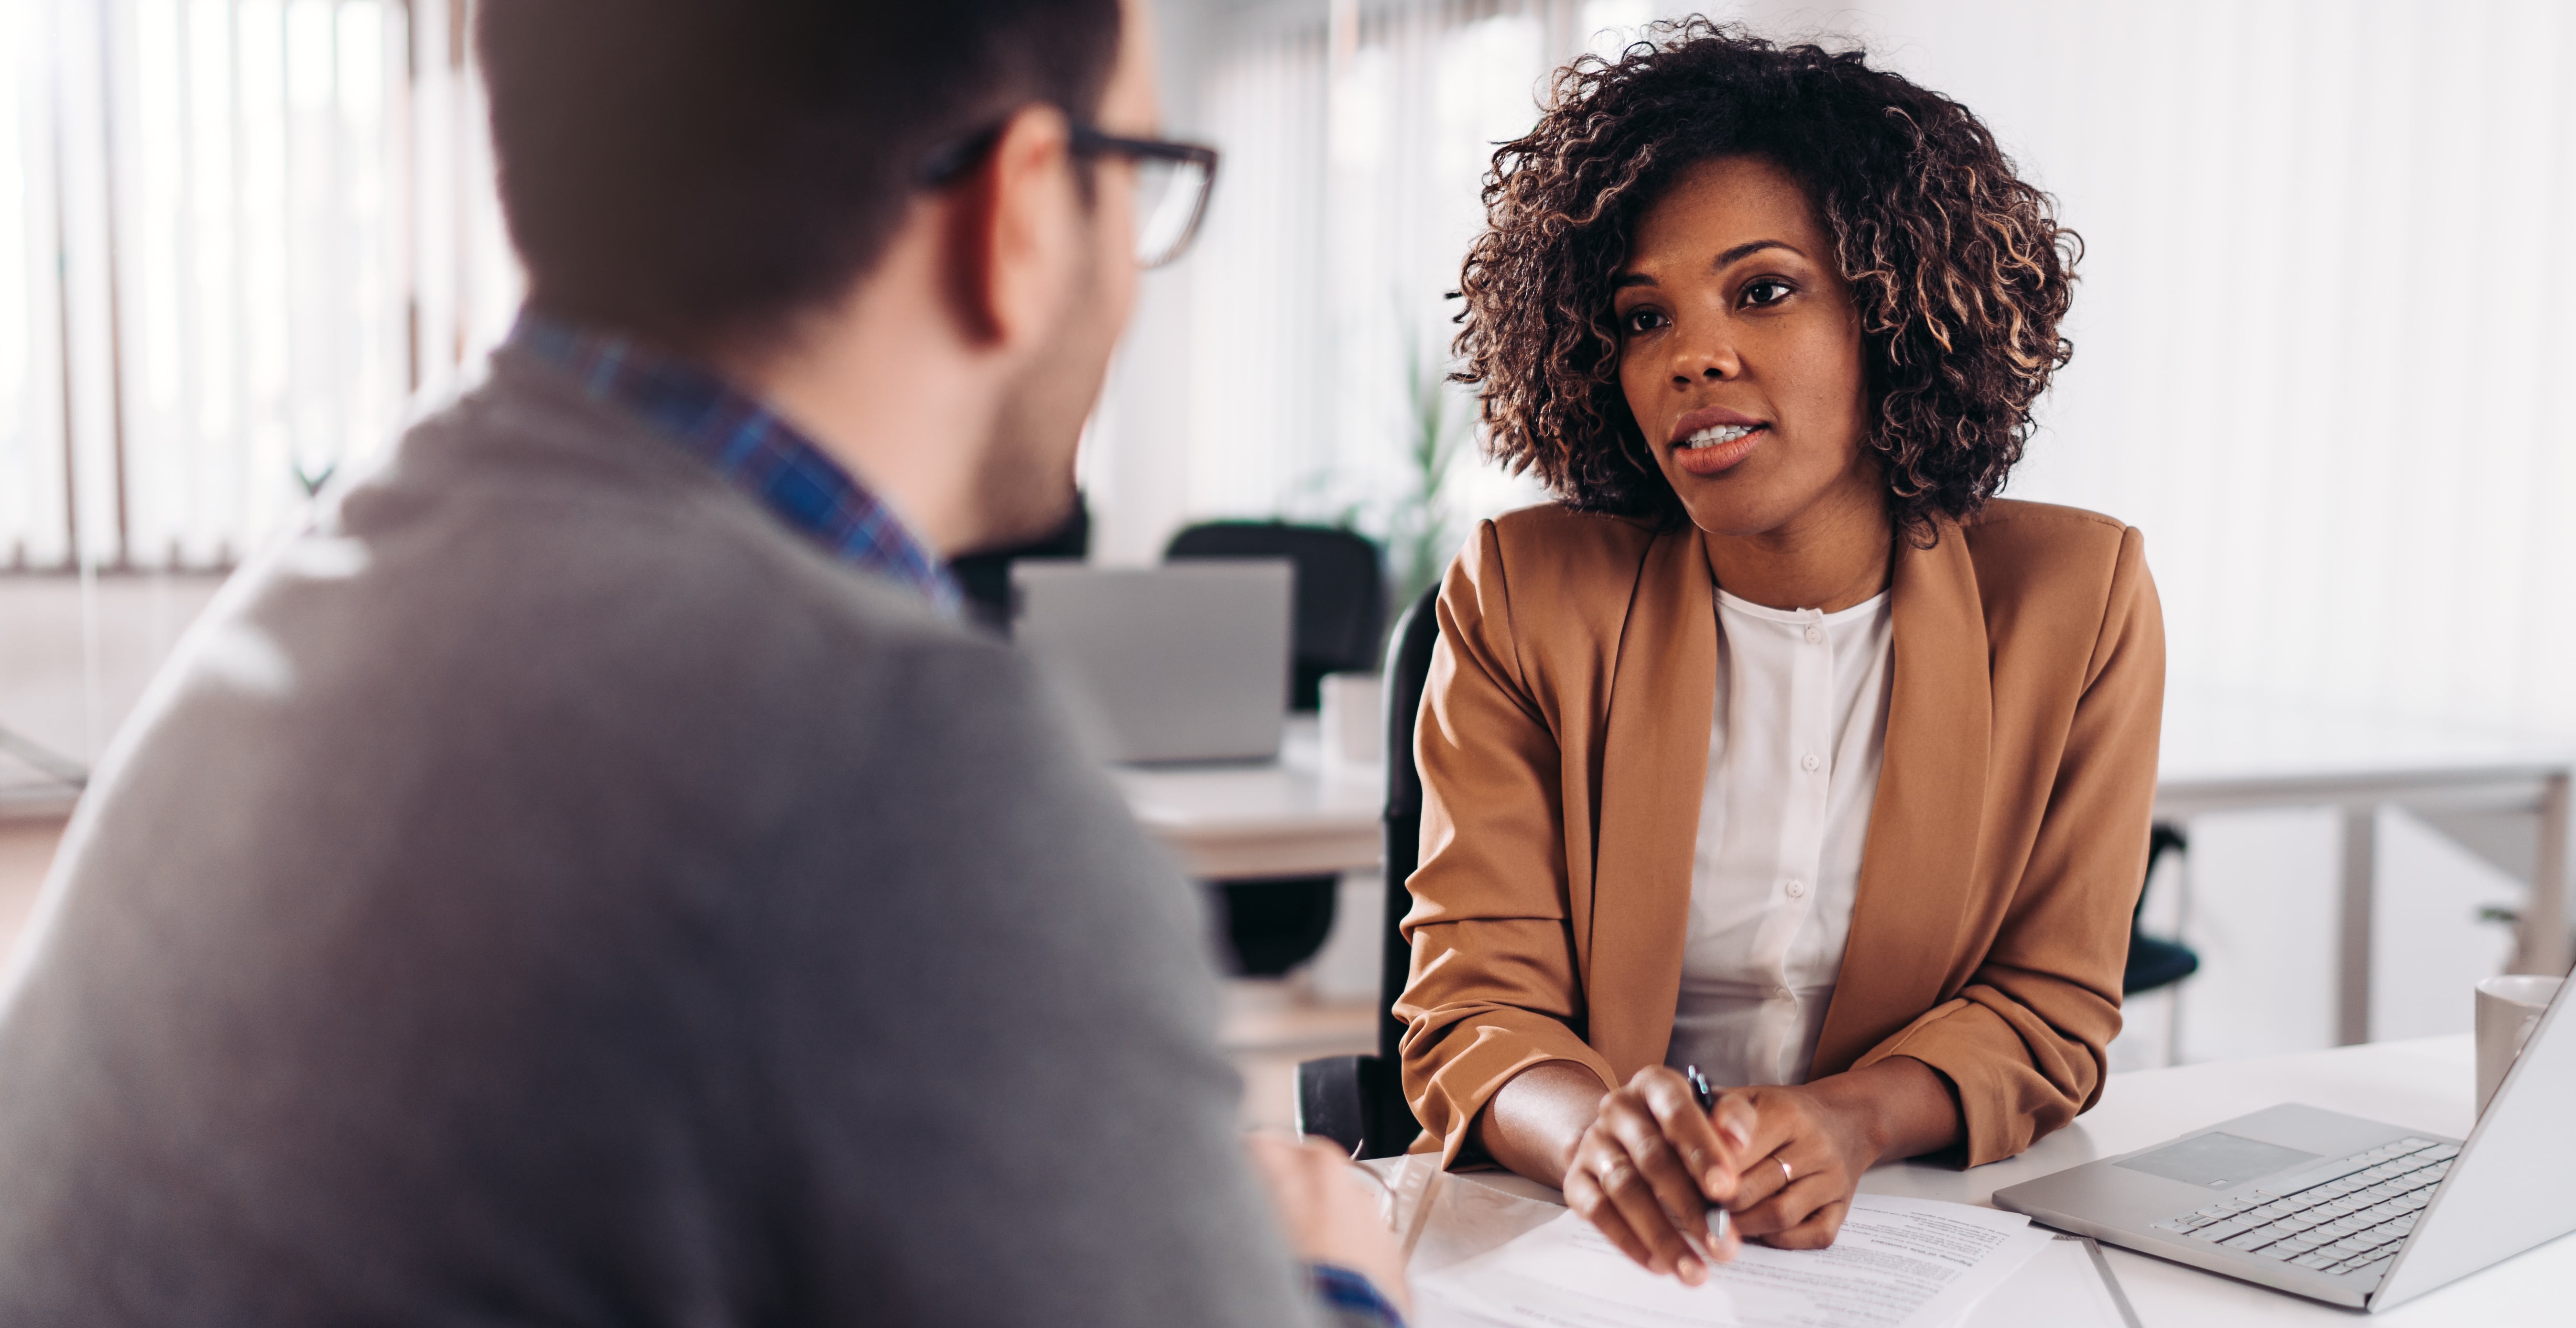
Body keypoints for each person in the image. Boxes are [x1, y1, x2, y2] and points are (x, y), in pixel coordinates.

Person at [0, 0, 1408, 1324]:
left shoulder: (309, 601)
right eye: (1143, 173)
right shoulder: (913, 769)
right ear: (1027, 207)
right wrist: (1341, 1278)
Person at [1397, 20, 2163, 1285]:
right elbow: (1475, 1006)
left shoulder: (2076, 601)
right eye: (1644, 317)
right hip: (1590, 1252)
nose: (1692, 356)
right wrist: (1594, 1132)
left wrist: (1855, 1119)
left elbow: (2051, 1006)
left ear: (1893, 313)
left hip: (1915, 1242)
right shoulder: (1524, 594)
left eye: (1762, 290)